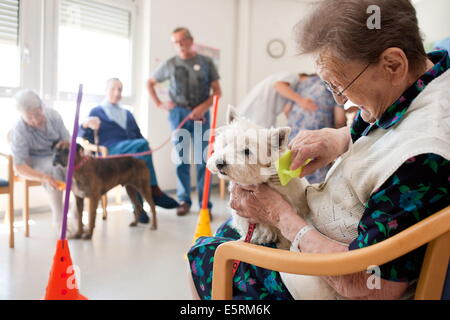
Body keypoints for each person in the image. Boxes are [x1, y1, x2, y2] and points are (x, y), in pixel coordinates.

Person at [187, 0, 450, 300]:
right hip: (314, 231)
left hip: (326, 280)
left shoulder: (422, 157)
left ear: (393, 64)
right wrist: (338, 140)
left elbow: (370, 287)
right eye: (330, 88)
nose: (342, 103)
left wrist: (280, 215)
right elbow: (388, 133)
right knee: (224, 233)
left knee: (203, 256)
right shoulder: (422, 81)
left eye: (341, 85)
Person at [79, 78, 179, 223]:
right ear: (105, 90)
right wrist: (86, 124)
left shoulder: (127, 113)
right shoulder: (96, 111)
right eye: (113, 89)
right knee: (142, 146)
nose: (117, 92)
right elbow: (81, 135)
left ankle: (138, 209)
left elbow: (138, 135)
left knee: (138, 164)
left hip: (130, 152)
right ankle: (154, 190)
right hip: (111, 152)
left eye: (120, 89)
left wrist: (145, 147)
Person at [147, 27, 222, 216]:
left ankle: (205, 204)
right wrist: (159, 104)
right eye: (175, 42)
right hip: (178, 114)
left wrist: (202, 107)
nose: (179, 44)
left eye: (182, 40)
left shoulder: (206, 62)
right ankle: (184, 200)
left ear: (190, 40)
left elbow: (217, 92)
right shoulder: (170, 64)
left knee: (202, 159)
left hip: (201, 114)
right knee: (181, 159)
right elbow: (149, 83)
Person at [10, 89, 70, 231]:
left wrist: (66, 147)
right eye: (29, 118)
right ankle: (59, 220)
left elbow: (68, 141)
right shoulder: (19, 129)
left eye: (38, 114)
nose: (35, 120)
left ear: (42, 107)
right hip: (35, 160)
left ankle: (74, 213)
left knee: (72, 168)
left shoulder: (53, 116)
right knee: (53, 170)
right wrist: (43, 177)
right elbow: (19, 166)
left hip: (57, 153)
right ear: (22, 116)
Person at [283, 73, 346, 183]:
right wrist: (340, 135)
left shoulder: (303, 83)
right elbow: (340, 119)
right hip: (317, 139)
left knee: (294, 176)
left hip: (294, 137)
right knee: (317, 181)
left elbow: (287, 109)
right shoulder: (334, 84)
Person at [237, 72, 319, 128]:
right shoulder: (293, 76)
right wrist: (302, 101)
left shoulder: (292, 91)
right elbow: (278, 85)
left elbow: (286, 110)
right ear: (306, 77)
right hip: (256, 113)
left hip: (262, 117)